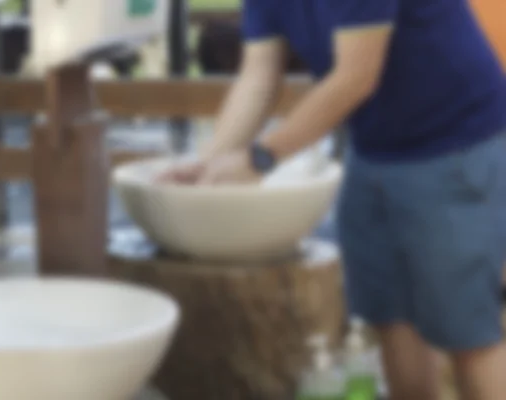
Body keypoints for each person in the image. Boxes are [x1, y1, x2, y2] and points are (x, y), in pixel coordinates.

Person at [159, 0, 506, 399]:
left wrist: (262, 156)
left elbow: (356, 76)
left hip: (456, 143)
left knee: (468, 335)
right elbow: (258, 76)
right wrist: (209, 165)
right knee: (392, 321)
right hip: (374, 149)